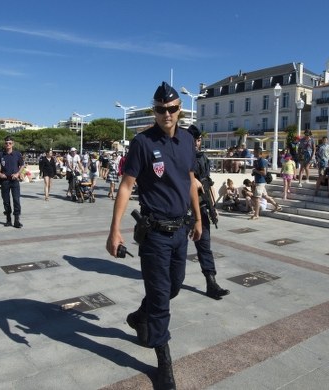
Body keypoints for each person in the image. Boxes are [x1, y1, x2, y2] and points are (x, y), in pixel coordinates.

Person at [105, 82, 202, 390]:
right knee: (161, 299)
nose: (167, 115)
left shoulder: (187, 140)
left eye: (172, 109)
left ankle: (138, 316)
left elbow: (190, 180)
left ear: (180, 110)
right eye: (160, 110)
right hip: (155, 233)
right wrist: (114, 231)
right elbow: (126, 185)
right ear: (154, 112)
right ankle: (163, 364)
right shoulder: (143, 143)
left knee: (173, 286)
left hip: (180, 230)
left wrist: (198, 219)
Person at [188, 125, 230, 300]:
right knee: (175, 248)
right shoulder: (181, 158)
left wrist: (213, 207)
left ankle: (211, 282)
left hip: (203, 206)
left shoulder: (202, 158)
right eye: (194, 140)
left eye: (198, 140)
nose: (197, 143)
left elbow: (208, 183)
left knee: (205, 246)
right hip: (183, 208)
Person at [0, 136, 25, 228]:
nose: (8, 145)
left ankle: (17, 220)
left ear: (13, 144)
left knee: (16, 200)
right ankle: (8, 219)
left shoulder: (17, 154)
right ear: (4, 144)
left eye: (10, 143)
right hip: (4, 181)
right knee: (6, 201)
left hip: (14, 181)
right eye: (6, 143)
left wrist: (18, 173)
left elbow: (22, 165)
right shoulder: (0, 155)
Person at [251, 147, 282, 219]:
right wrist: (254, 172)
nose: (254, 153)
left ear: (260, 153)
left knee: (256, 198)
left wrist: (255, 171)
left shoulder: (262, 161)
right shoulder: (257, 161)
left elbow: (264, 173)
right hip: (258, 181)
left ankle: (256, 215)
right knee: (265, 196)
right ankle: (277, 206)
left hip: (260, 182)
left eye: (255, 152)